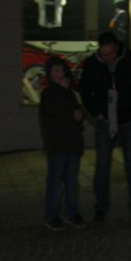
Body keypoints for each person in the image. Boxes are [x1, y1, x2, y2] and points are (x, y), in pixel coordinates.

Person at [79, 31, 131, 221]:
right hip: (104, 121)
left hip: (127, 119)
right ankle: (100, 206)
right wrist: (96, 112)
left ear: (116, 48)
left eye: (110, 54)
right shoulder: (92, 63)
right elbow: (85, 90)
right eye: (104, 54)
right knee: (102, 165)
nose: (107, 58)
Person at [39, 57, 86, 231]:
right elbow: (55, 114)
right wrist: (63, 92)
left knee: (72, 181)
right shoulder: (49, 94)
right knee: (55, 181)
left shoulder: (69, 93)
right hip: (57, 144)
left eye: (61, 70)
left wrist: (80, 115)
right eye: (56, 71)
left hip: (72, 143)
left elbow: (74, 112)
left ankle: (71, 212)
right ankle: (52, 215)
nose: (60, 74)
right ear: (50, 74)